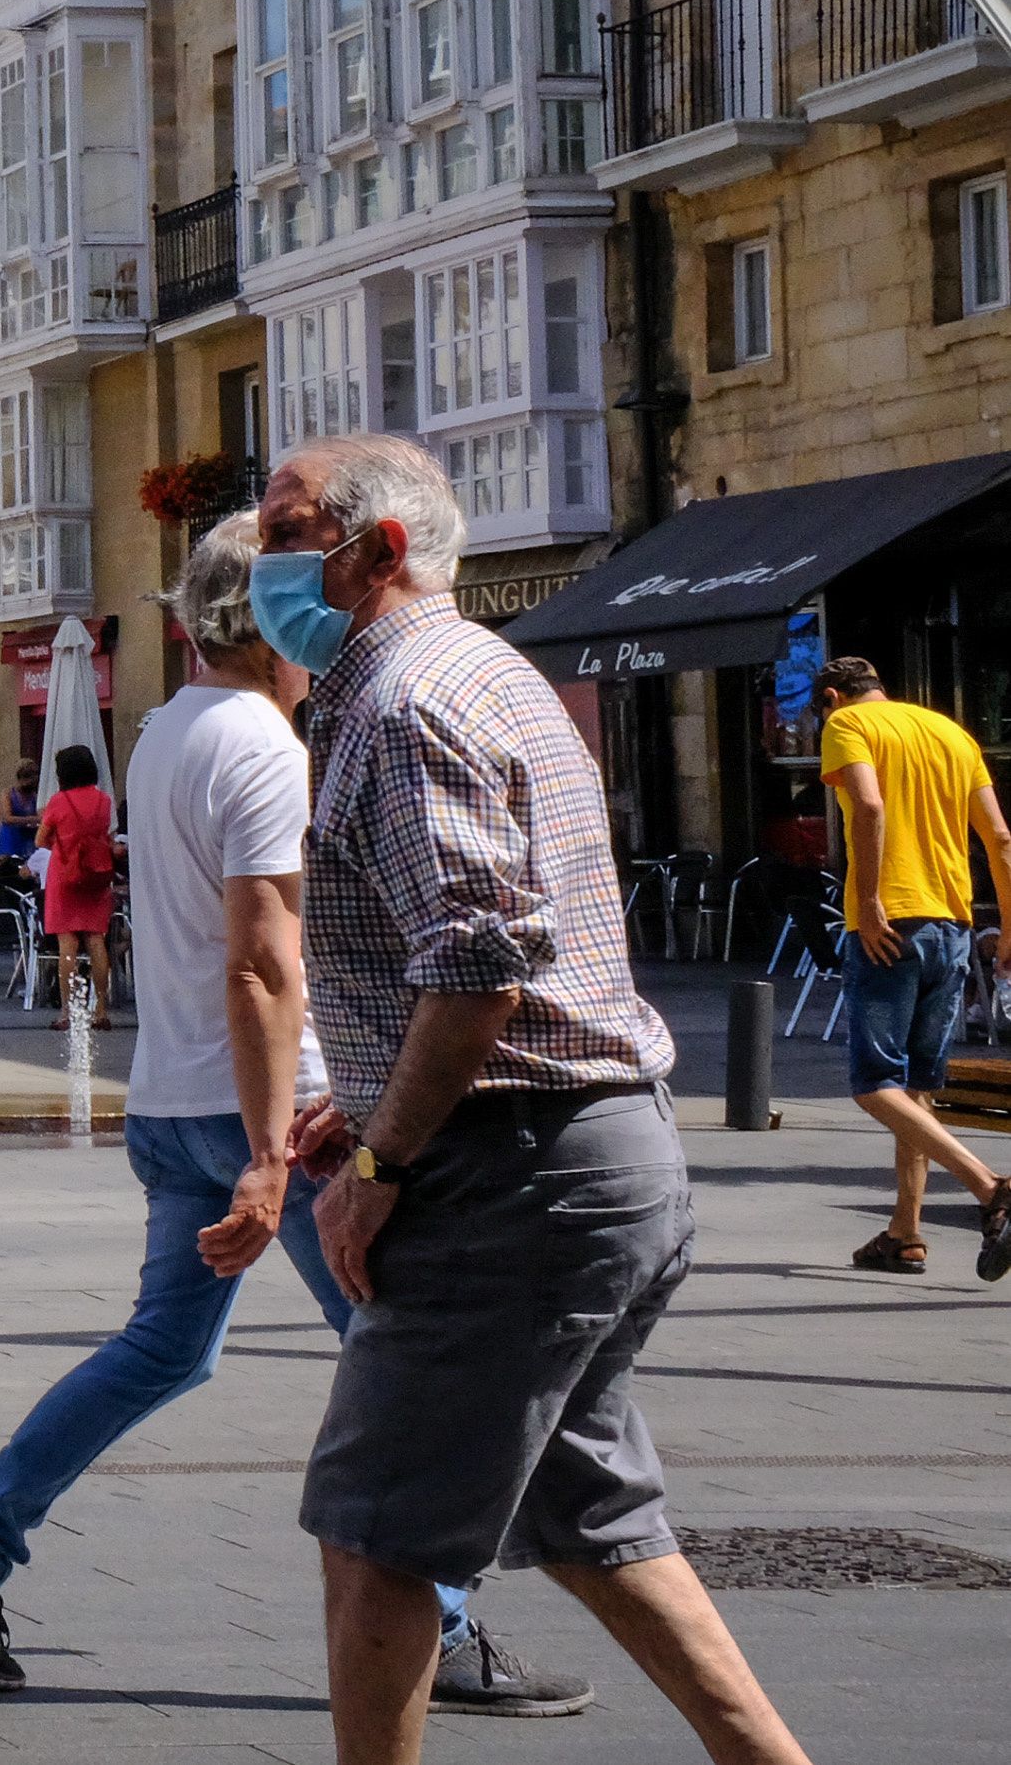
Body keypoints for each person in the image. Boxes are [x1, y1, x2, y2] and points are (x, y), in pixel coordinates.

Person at [0, 512, 575, 1715]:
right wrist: (275, 1153)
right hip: (276, 1109)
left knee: (161, 1347)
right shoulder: (264, 742)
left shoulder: (161, 733)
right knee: (400, 1356)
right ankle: (448, 1629)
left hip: (171, 1096)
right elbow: (263, 962)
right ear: (268, 617)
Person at [261, 435, 806, 1765]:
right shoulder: (490, 671)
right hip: (586, 1156)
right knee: (591, 1514)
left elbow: (478, 963)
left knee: (374, 1535)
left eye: (288, 531)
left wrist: (381, 1160)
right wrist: (383, 1095)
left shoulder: (401, 702)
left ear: (377, 548)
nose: (263, 561)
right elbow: (506, 948)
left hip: (510, 1178)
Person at [809, 655, 1011, 1280]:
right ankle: (906, 1232)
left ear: (835, 697)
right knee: (915, 1090)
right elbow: (1000, 838)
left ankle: (991, 1188)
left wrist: (868, 901)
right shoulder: (953, 734)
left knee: (874, 1083)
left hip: (888, 924)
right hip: (952, 927)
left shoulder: (848, 725)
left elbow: (868, 807)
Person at [39, 743, 118, 1025]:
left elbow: (41, 839)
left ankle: (68, 1012)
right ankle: (101, 1010)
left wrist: (63, 845)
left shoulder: (58, 802)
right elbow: (106, 835)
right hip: (97, 874)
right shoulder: (104, 801)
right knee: (96, 940)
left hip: (65, 874)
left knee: (67, 944)